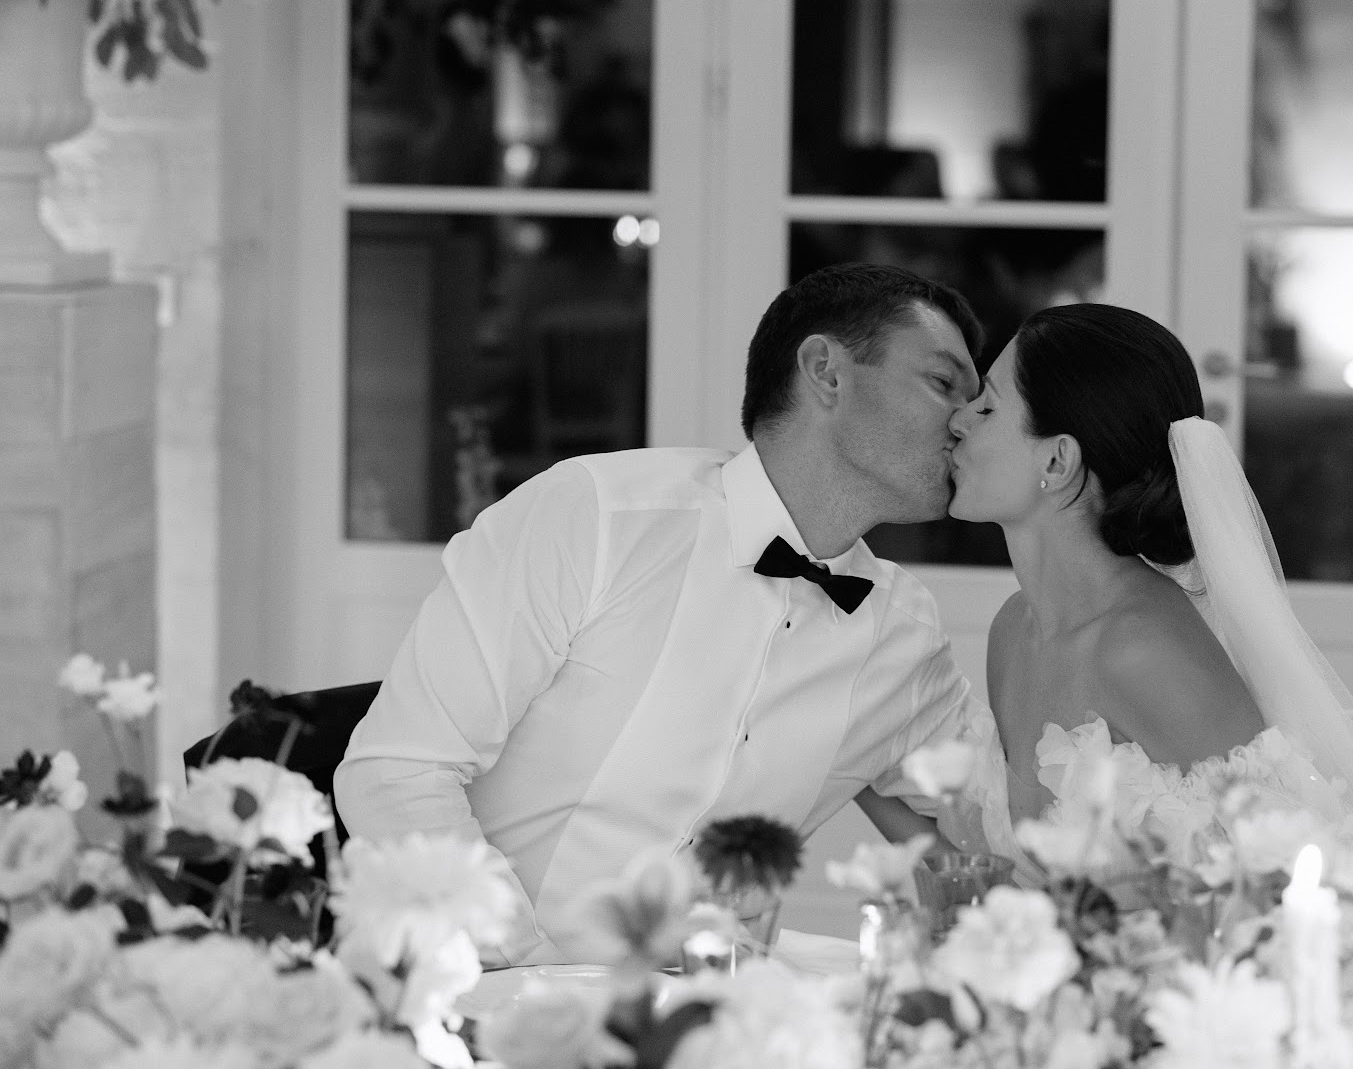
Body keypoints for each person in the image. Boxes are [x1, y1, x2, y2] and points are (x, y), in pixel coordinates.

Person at [335, 264, 981, 963]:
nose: (965, 424)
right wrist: (531, 976)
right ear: (826, 371)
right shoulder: (596, 515)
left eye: (980, 406)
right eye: (944, 386)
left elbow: (988, 843)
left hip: (704, 1035)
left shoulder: (901, 637)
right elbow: (397, 773)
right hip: (466, 993)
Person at [944, 303, 1353, 859]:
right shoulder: (1013, 631)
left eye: (987, 407)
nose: (958, 420)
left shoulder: (1141, 647)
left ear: (1059, 461)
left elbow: (1273, 871)